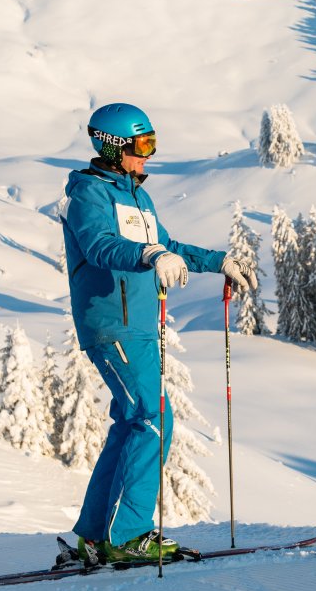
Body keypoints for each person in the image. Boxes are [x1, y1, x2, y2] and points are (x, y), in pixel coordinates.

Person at [61, 102, 256, 563]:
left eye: (152, 143)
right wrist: (149, 256)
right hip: (111, 323)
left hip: (141, 326)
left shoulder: (137, 197)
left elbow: (165, 246)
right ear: (112, 147)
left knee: (133, 422)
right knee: (152, 418)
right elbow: (100, 245)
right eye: (141, 145)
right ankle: (127, 535)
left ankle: (95, 534)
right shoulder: (88, 194)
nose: (148, 155)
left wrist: (216, 261)